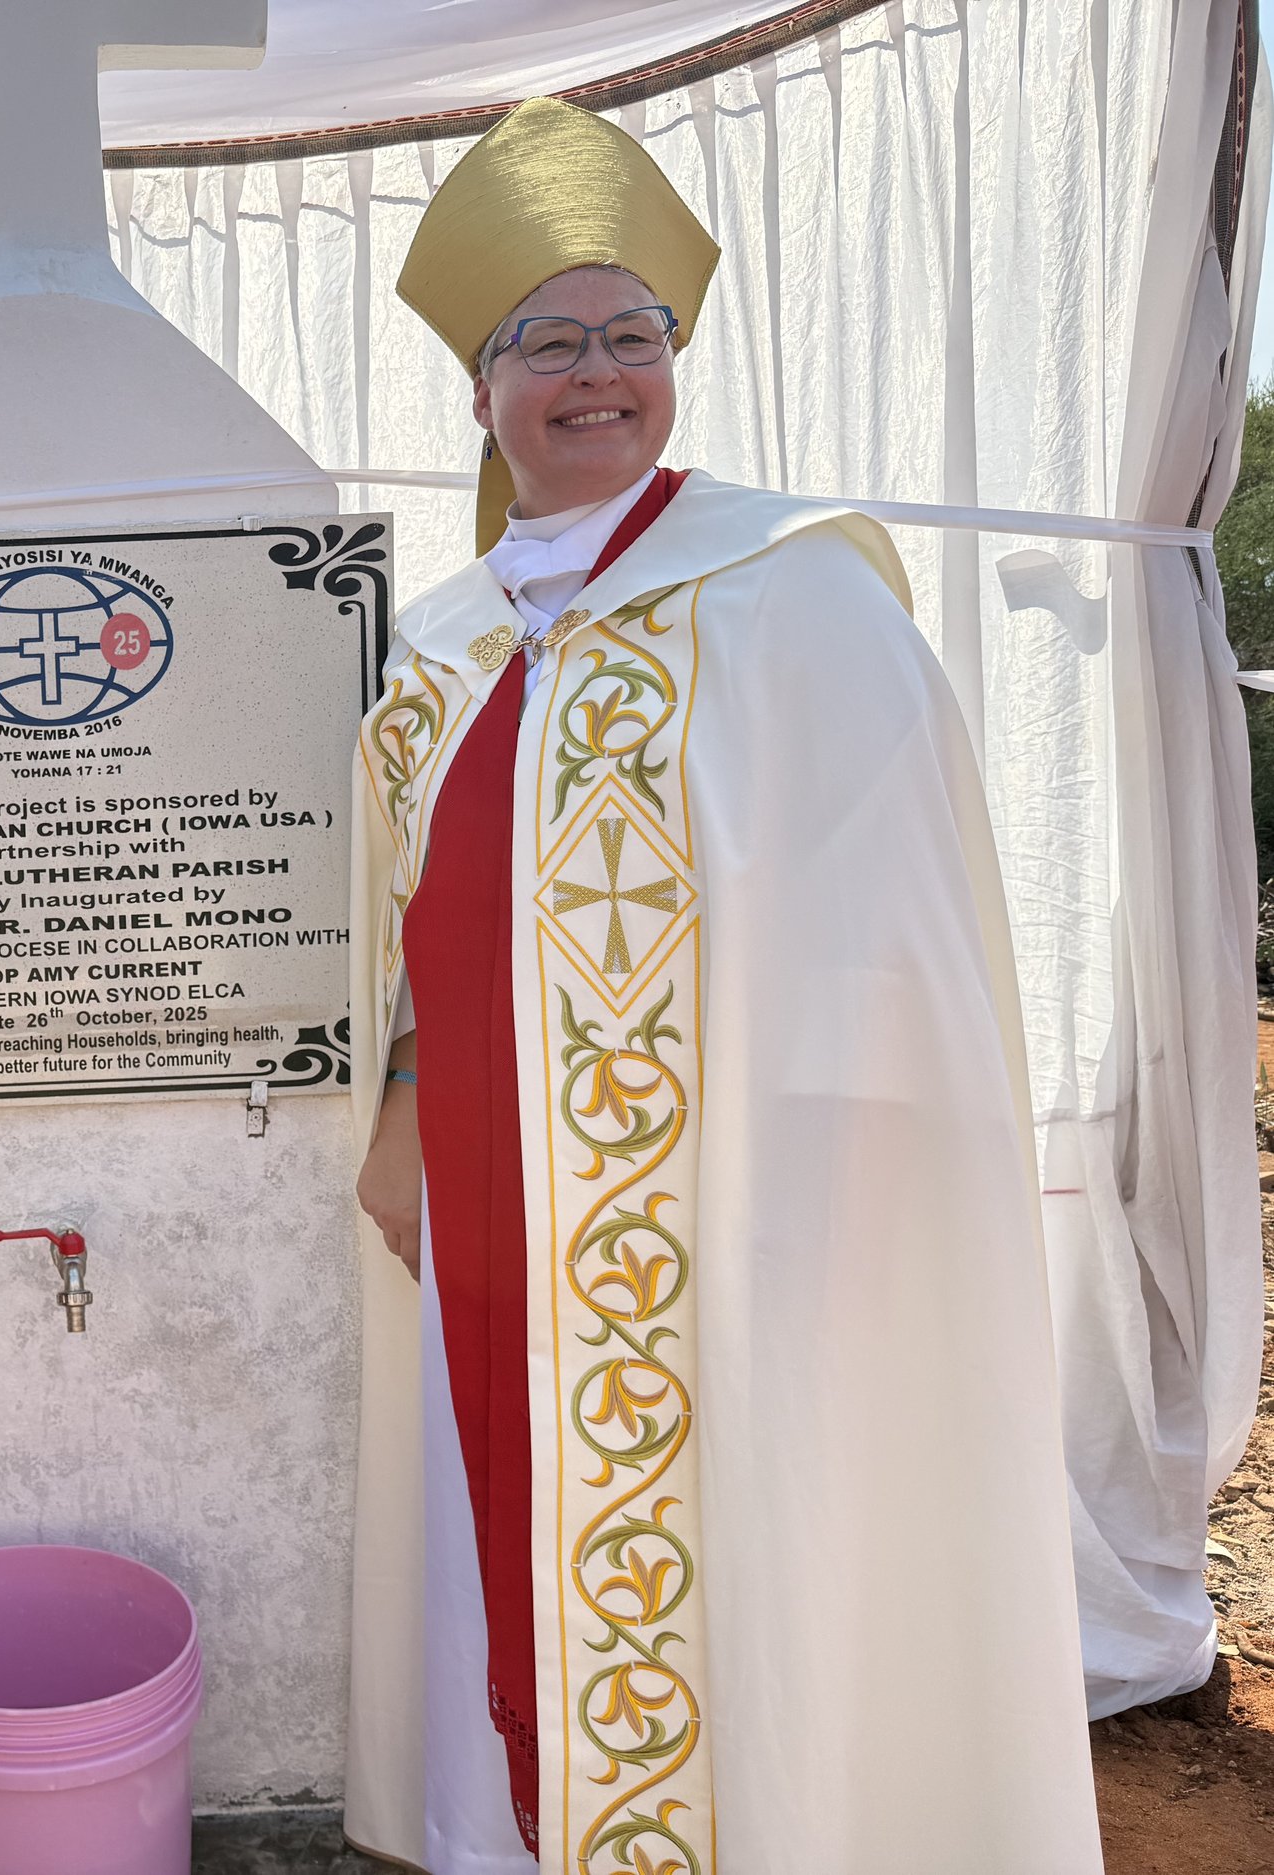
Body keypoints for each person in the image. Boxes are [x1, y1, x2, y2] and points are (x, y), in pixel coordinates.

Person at [343, 99, 1103, 1874]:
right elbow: (409, 921)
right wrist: (400, 1114)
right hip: (489, 1199)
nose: (596, 375)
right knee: (506, 1517)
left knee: (753, 1531)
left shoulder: (795, 589)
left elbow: (892, 924)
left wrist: (843, 1173)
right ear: (481, 387)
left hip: (733, 1195)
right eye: (546, 343)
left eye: (634, 334)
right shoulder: (442, 645)